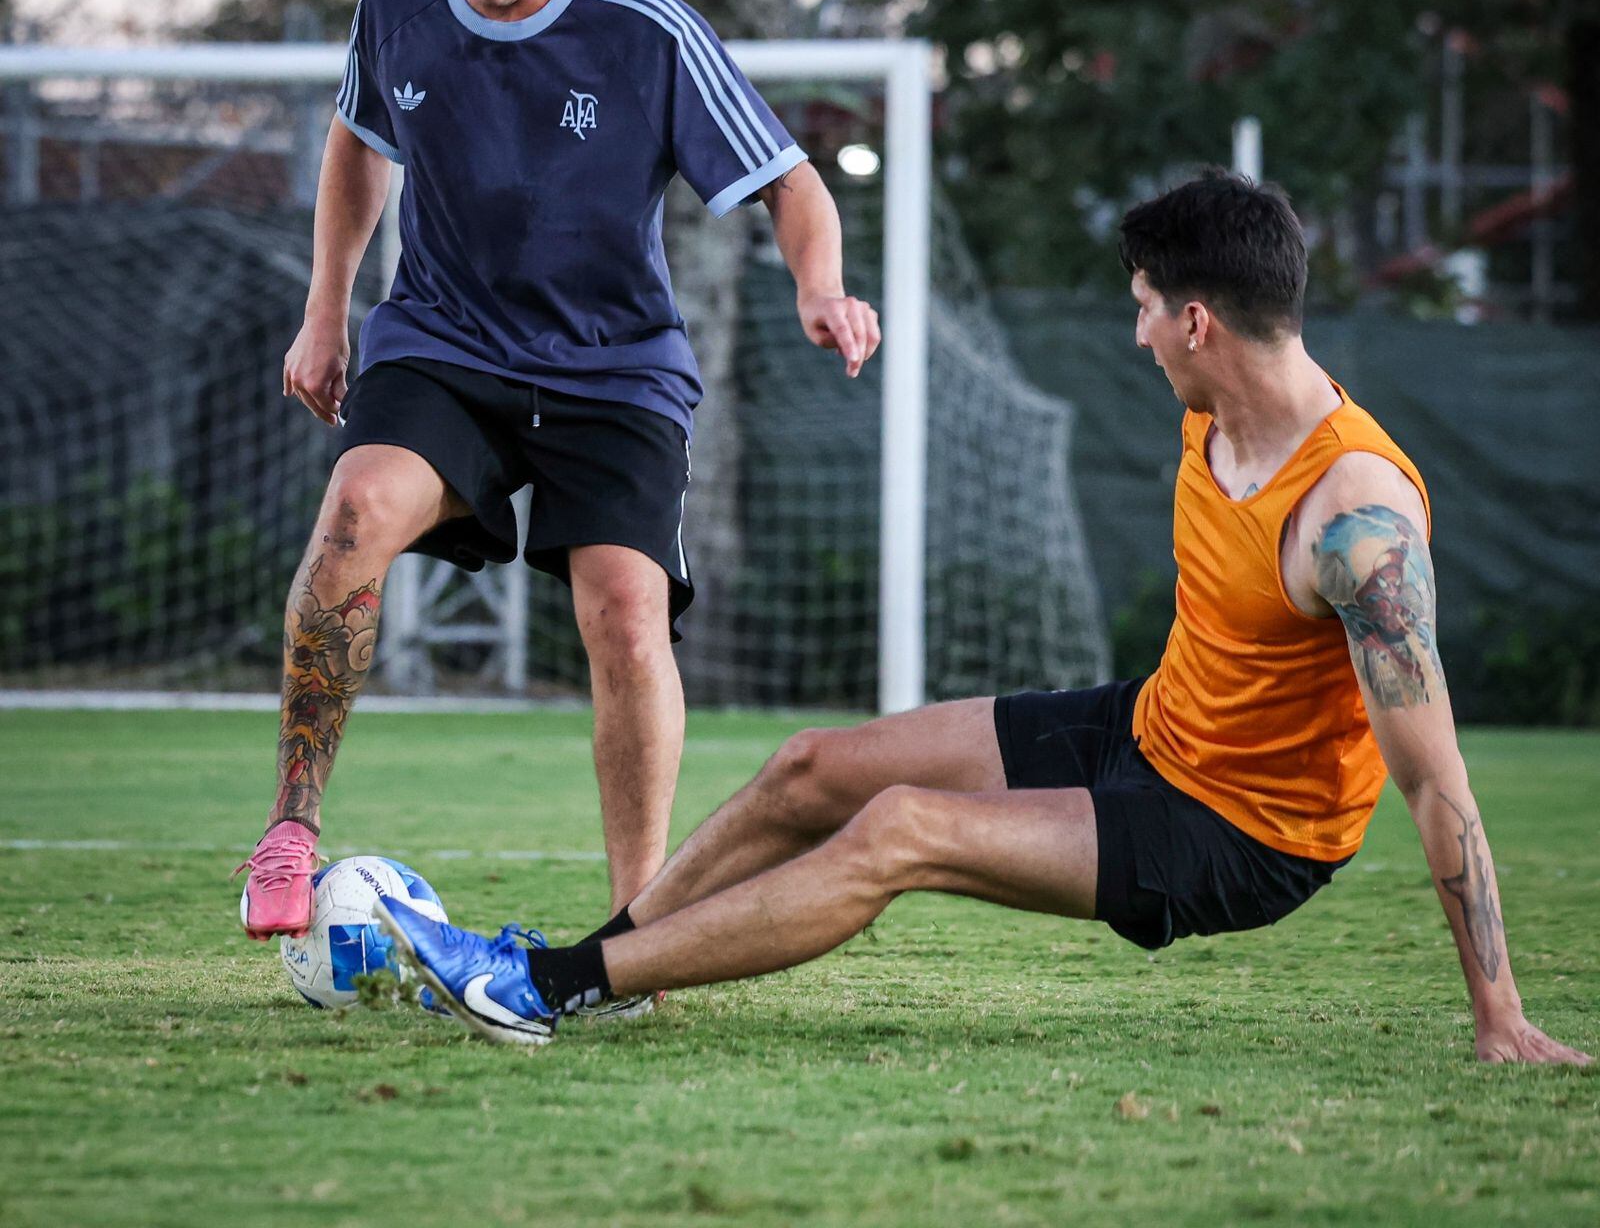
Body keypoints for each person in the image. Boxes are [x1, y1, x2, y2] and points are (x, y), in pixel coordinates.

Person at [378, 174, 1589, 1065]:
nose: (1136, 332)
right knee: (811, 766)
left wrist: (1497, 1012)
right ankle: (617, 966)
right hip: (1157, 728)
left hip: (1248, 834)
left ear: (1198, 323)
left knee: (900, 827)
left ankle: (548, 985)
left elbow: (1432, 783)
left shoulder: (1357, 524)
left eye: (1145, 309)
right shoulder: (1213, 414)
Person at [234, 0, 881, 998]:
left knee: (624, 613)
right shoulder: (395, 9)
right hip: (443, 342)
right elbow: (358, 147)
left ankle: (639, 924)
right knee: (355, 515)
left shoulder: (644, 27)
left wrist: (818, 285)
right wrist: (327, 313)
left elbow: (792, 181)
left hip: (614, 369)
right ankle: (292, 825)